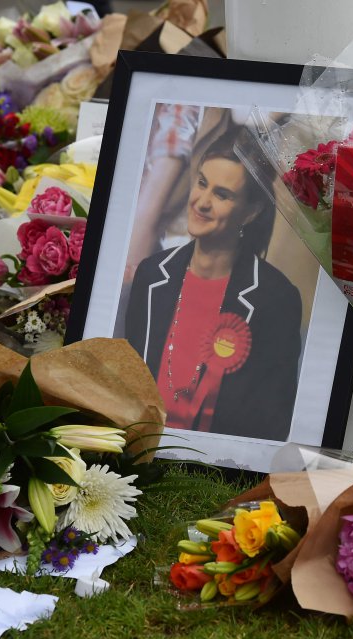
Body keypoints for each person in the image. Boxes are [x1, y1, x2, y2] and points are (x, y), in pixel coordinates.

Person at [125, 130, 302, 441]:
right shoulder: (152, 274)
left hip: (216, 475)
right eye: (202, 183)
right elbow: (123, 388)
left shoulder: (277, 299)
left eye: (222, 194)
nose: (202, 202)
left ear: (250, 212)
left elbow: (271, 421)